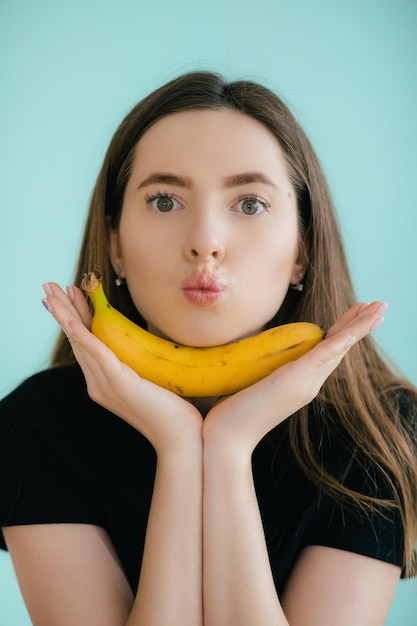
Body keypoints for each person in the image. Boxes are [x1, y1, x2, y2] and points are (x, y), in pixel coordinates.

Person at [1, 71, 416, 626]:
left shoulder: (383, 433)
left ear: (301, 251)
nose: (206, 241)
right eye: (165, 200)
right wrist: (178, 447)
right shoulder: (35, 428)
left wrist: (226, 447)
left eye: (249, 204)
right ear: (116, 246)